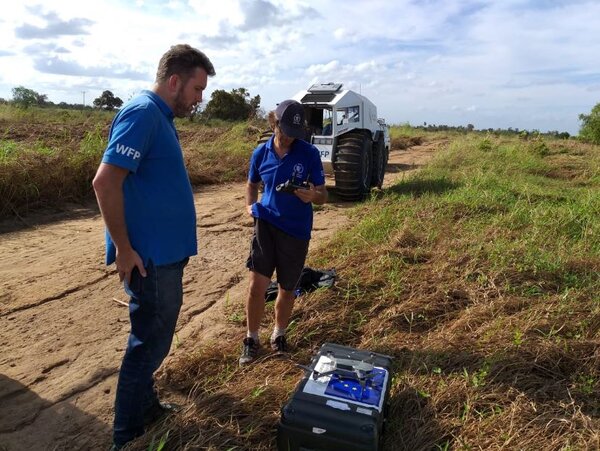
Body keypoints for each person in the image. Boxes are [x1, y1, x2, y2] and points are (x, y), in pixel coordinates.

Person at [92, 44, 215, 449]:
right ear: (175, 81)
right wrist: (124, 250)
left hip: (164, 256)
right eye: (197, 89)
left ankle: (146, 410)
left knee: (153, 339)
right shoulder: (143, 112)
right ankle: (126, 436)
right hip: (149, 261)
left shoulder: (160, 116)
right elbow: (106, 182)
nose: (200, 99)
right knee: (148, 346)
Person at [240, 99, 328, 365]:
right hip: (266, 225)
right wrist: (249, 205)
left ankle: (278, 335)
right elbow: (251, 183)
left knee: (288, 289)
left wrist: (312, 195)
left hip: (296, 231)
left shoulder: (309, 153)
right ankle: (251, 339)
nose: (290, 137)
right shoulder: (260, 153)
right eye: (286, 130)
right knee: (257, 286)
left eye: (295, 133)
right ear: (274, 123)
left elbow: (323, 195)